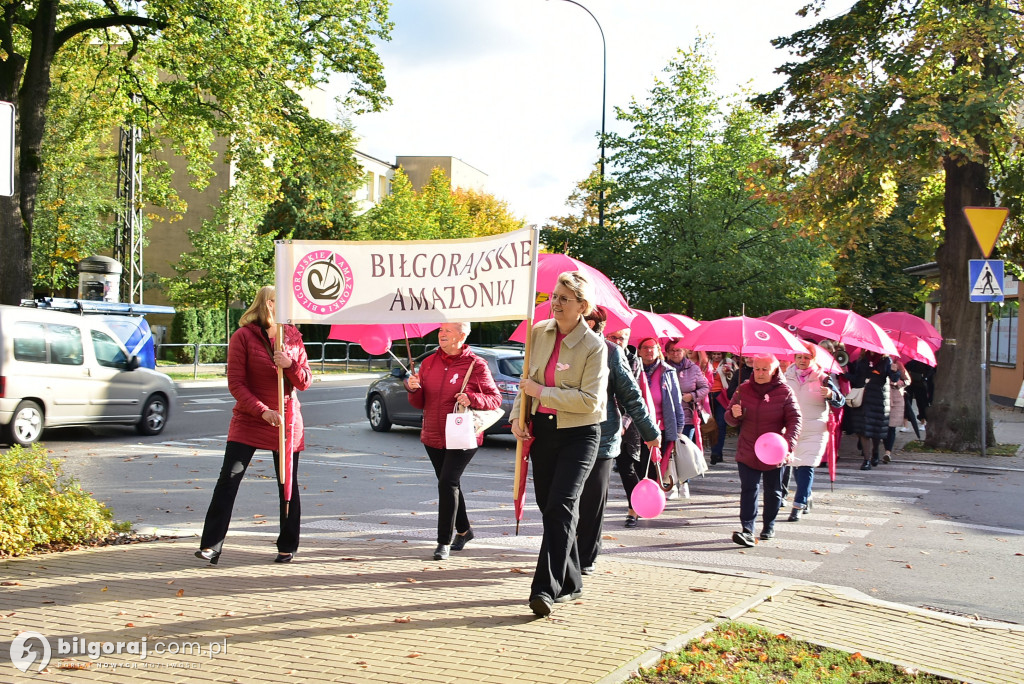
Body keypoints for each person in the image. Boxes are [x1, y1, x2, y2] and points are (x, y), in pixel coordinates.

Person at [511, 271, 608, 617]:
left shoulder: (595, 346)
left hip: (580, 434)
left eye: (564, 299)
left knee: (560, 507)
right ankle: (571, 581)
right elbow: (526, 381)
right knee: (548, 505)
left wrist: (543, 393)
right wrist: (517, 418)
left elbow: (590, 402)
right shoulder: (539, 333)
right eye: (553, 296)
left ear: (583, 306)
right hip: (544, 431)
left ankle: (544, 589)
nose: (555, 303)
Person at [196, 286, 312, 565]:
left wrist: (291, 364)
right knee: (229, 479)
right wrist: (262, 412)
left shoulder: (293, 338)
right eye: (282, 303)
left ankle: (287, 546)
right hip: (251, 418)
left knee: (287, 484)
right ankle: (212, 545)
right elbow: (236, 383)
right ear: (269, 304)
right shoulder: (243, 337)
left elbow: (305, 381)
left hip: (287, 420)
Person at [405, 322, 502, 561]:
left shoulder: (476, 364)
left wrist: (471, 398)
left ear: (462, 335)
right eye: (440, 330)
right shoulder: (428, 363)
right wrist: (413, 389)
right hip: (432, 435)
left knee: (447, 482)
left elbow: (495, 399)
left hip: (462, 436)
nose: (442, 334)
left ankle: (443, 541)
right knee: (450, 485)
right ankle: (464, 531)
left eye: (448, 330)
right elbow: (419, 404)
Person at [577, 307, 660, 575]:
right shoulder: (558, 349)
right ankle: (570, 550)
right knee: (565, 500)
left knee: (592, 499)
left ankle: (586, 556)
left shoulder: (612, 353)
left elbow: (631, 397)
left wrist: (649, 432)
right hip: (565, 434)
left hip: (603, 435)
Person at [725, 353, 802, 547]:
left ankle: (769, 525)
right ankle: (747, 529)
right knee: (749, 489)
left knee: (773, 491)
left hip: (774, 450)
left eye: (764, 369)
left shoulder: (785, 391)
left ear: (774, 370)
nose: (759, 373)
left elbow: (795, 420)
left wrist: (787, 444)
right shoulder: (743, 389)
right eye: (757, 369)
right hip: (748, 448)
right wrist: (734, 415)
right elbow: (729, 418)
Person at [784, 342, 844, 522]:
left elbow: (840, 402)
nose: (803, 361)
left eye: (807, 358)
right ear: (794, 358)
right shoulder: (785, 376)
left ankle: (798, 505)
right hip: (792, 429)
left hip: (815, 429)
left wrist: (831, 395)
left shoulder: (824, 378)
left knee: (806, 466)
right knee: (795, 465)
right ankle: (807, 495)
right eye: (799, 357)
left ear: (813, 359)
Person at [607, 327, 652, 527]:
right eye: (613, 337)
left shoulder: (634, 361)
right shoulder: (600, 354)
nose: (617, 341)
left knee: (628, 468)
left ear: (627, 340)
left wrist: (623, 423)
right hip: (604, 418)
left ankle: (633, 509)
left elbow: (633, 397)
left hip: (628, 422)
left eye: (621, 338)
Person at [636, 337, 687, 505]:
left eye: (652, 347)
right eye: (645, 347)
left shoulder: (667, 371)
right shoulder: (633, 369)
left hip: (660, 428)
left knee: (654, 467)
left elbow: (676, 402)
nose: (649, 351)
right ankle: (639, 500)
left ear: (658, 350)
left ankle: (650, 501)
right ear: (639, 350)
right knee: (638, 467)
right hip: (636, 427)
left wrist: (678, 430)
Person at [663, 340, 709, 499]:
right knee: (668, 452)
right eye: (671, 351)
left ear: (683, 351)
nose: (675, 353)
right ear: (667, 352)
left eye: (678, 350)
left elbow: (705, 387)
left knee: (683, 451)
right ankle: (670, 484)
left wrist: (692, 396)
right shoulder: (662, 368)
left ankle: (685, 483)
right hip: (667, 416)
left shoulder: (693, 368)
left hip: (687, 416)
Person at [845, 351, 900, 470]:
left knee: (875, 430)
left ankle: (875, 451)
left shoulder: (886, 361)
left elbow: (894, 378)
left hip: (878, 399)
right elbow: (856, 378)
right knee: (863, 430)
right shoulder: (861, 360)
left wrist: (895, 371)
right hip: (862, 399)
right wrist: (845, 373)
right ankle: (866, 460)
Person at [708, 351, 737, 464]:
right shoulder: (706, 363)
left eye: (719, 354)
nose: (716, 356)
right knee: (710, 424)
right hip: (708, 396)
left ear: (723, 354)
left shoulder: (728, 362)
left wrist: (728, 372)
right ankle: (712, 450)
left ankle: (716, 453)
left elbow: (734, 378)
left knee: (720, 424)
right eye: (714, 354)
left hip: (721, 395)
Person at [883, 359, 913, 461]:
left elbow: (907, 381)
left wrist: (897, 383)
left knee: (891, 426)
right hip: (883, 396)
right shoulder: (880, 362)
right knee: (884, 426)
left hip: (896, 399)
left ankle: (888, 452)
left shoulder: (898, 363)